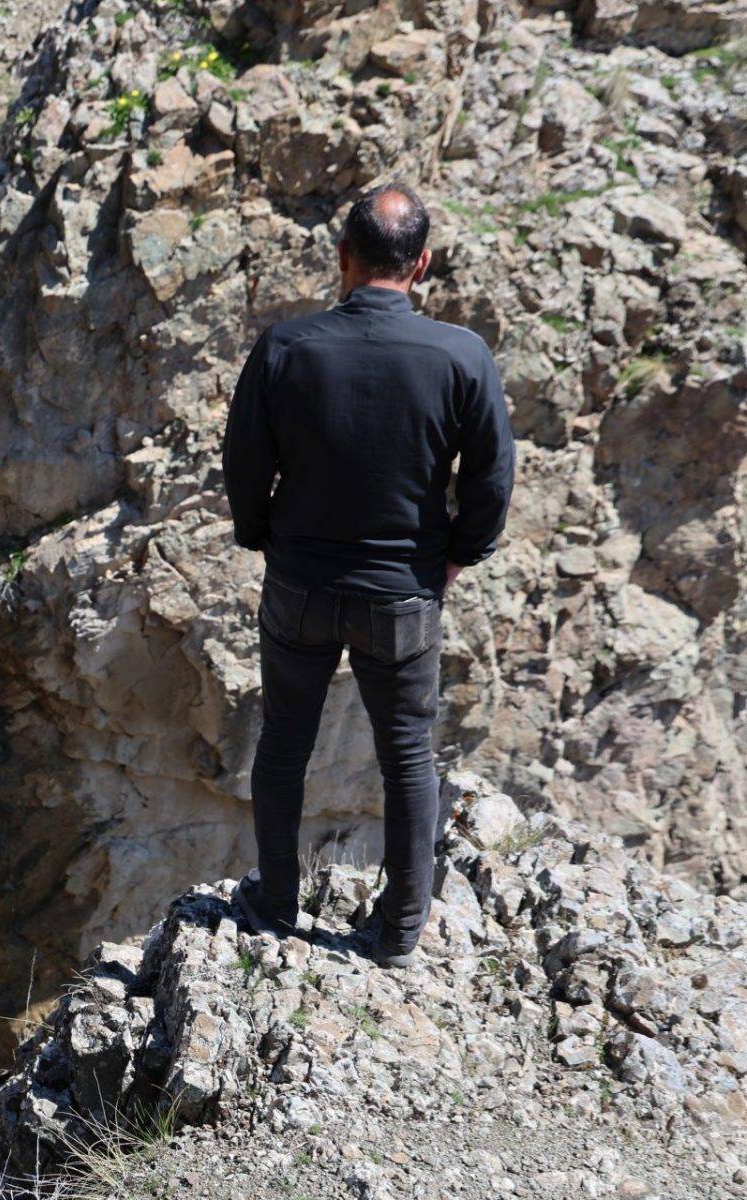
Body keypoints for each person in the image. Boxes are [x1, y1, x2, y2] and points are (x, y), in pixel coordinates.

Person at [221, 182, 515, 967]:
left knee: (285, 743)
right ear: (422, 264)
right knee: (408, 755)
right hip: (404, 593)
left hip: (300, 585)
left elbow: (243, 464)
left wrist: (262, 536)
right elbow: (491, 481)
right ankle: (399, 928)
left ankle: (274, 903)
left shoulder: (286, 348)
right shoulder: (461, 355)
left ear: (342, 255)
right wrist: (454, 557)